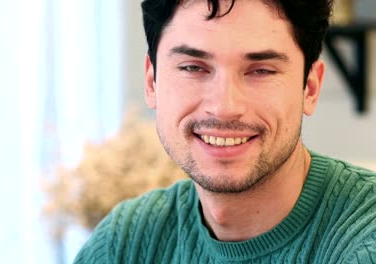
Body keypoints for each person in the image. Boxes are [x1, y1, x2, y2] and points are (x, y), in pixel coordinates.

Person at [74, 0, 376, 263]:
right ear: (152, 83)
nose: (224, 107)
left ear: (310, 88)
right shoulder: (124, 243)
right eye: (193, 67)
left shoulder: (365, 241)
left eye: (261, 70)